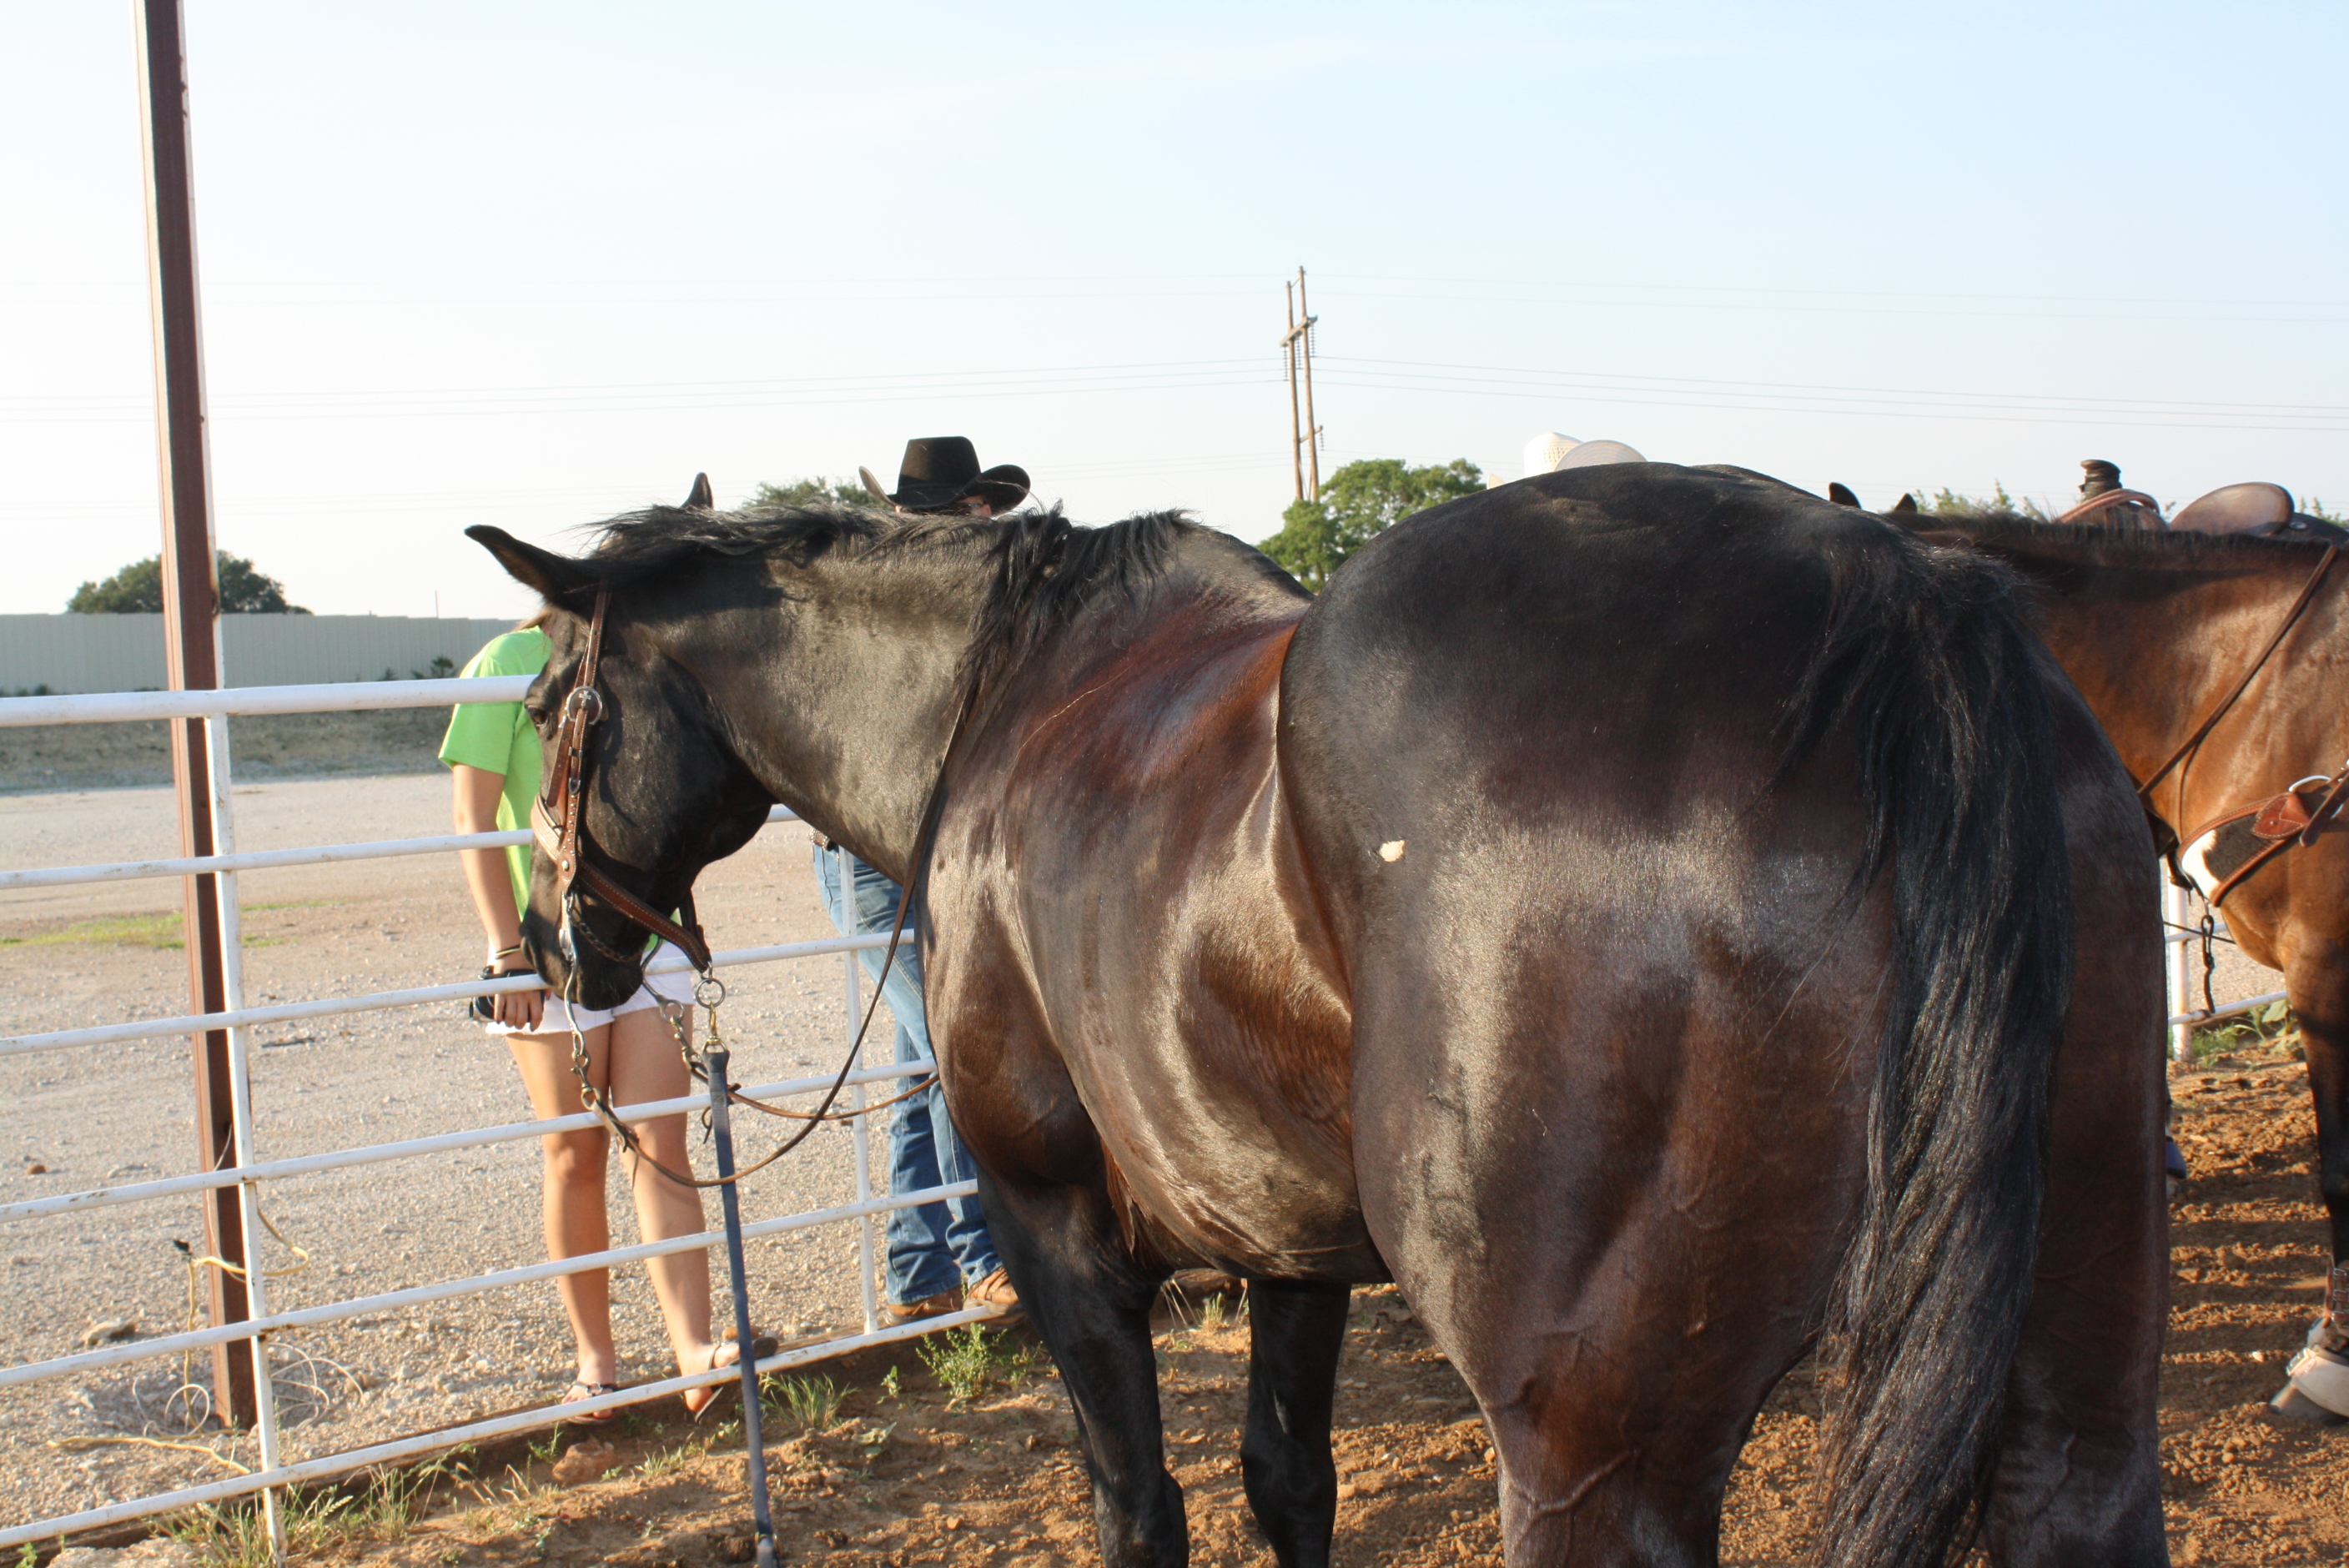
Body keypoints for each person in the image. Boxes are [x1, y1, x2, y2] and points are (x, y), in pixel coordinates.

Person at [441, 613, 756, 1419]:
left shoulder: (635, 648)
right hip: (545, 941)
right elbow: (474, 817)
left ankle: (694, 1352)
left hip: (644, 928)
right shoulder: (506, 660)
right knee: (574, 1153)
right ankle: (596, 1364)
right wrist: (504, 950)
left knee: (660, 1137)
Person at [819, 437, 1029, 1325]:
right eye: (974, 512)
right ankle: (984, 1253)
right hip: (875, 857)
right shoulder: (884, 620)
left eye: (987, 513)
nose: (987, 527)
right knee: (952, 1047)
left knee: (919, 1058)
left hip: (923, 854)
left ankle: (916, 1267)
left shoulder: (940, 611)